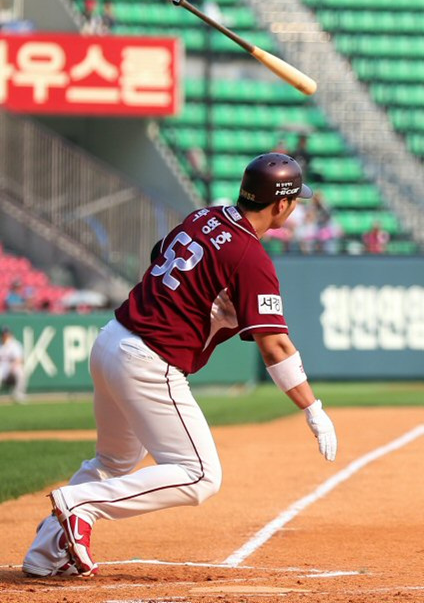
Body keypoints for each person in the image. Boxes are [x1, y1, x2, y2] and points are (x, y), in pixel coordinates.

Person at [22, 153, 337, 578]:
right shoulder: (251, 256)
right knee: (201, 475)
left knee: (112, 462)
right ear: (280, 205)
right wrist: (311, 408)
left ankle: (44, 555)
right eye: (295, 199)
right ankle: (81, 505)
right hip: (149, 360)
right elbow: (276, 346)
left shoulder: (204, 216)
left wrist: (211, 308)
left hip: (112, 339)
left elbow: (162, 259)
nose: (296, 207)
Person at [0, 326, 27, 403]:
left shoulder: (15, 344)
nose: (5, 336)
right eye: (4, 334)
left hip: (12, 366)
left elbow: (19, 359)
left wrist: (13, 366)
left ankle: (18, 394)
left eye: (7, 334)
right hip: (1, 367)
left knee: (20, 371)